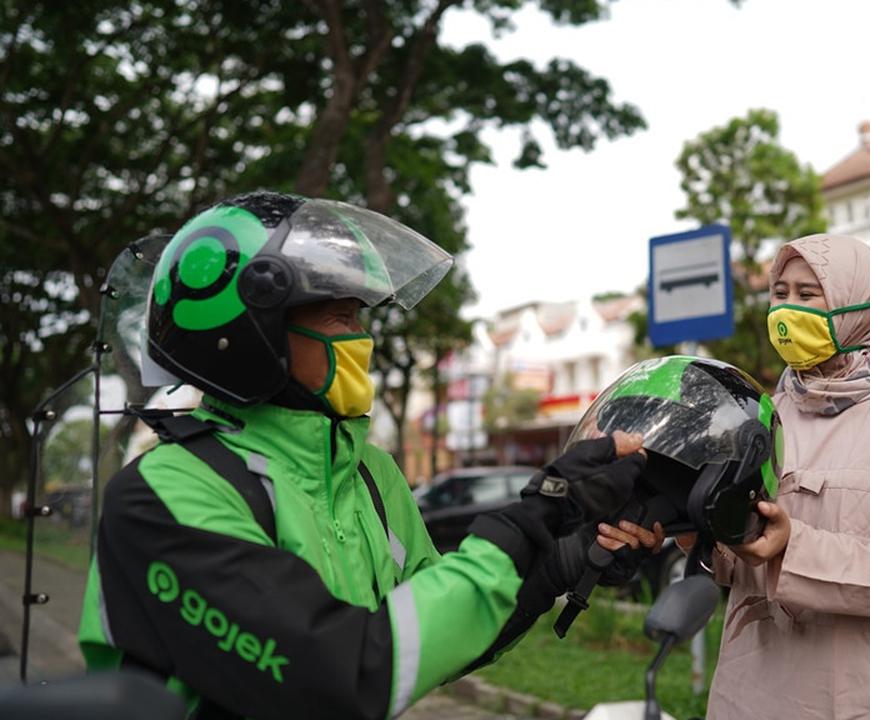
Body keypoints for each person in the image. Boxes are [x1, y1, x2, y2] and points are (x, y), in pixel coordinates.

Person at [77, 191, 660, 720]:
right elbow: (340, 674)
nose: (363, 339)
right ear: (253, 332)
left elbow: (436, 633)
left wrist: (563, 558)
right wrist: (528, 518)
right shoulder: (163, 493)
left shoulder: (369, 473)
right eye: (340, 317)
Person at [693, 233, 870, 719]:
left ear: (855, 305)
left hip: (869, 694)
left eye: (808, 294)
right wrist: (699, 531)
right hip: (755, 689)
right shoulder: (760, 416)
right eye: (780, 292)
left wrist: (794, 547)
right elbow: (735, 560)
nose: (787, 310)